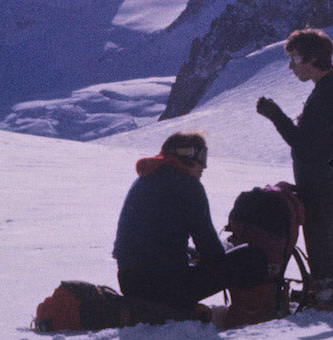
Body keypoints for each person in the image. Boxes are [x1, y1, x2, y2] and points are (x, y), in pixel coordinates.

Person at [256, 28, 333, 305]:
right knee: (331, 247)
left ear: (312, 59)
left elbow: (303, 146)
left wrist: (275, 115)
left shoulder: (326, 95)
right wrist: (330, 157)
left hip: (321, 184)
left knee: (322, 250)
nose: (291, 67)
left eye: (295, 59)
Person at [112, 132, 267, 313]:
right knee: (252, 256)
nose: (203, 166)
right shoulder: (188, 185)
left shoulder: (145, 177)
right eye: (200, 157)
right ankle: (253, 313)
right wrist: (228, 250)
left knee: (193, 257)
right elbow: (210, 249)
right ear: (185, 156)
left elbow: (155, 239)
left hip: (130, 282)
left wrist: (191, 254)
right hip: (165, 287)